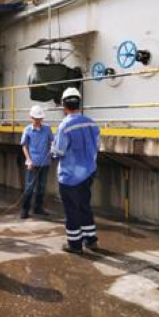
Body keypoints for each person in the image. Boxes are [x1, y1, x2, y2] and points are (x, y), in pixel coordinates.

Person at [51, 87, 100, 254]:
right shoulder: (91, 123)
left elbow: (59, 152)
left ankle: (75, 245)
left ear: (64, 105)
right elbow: (97, 146)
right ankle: (91, 240)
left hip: (70, 177)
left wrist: (52, 149)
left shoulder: (64, 126)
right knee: (85, 206)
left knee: (72, 210)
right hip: (88, 173)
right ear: (79, 103)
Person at [19, 105, 54, 219]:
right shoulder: (27, 130)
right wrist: (28, 160)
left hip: (45, 163)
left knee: (42, 187)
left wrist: (51, 149)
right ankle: (25, 210)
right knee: (29, 187)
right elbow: (24, 146)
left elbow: (52, 141)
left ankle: (38, 208)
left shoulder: (47, 129)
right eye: (36, 119)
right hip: (32, 163)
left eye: (40, 119)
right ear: (31, 118)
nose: (38, 121)